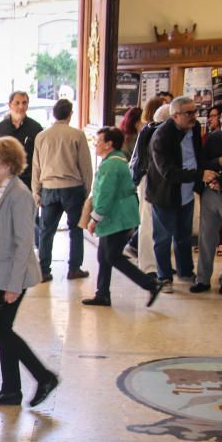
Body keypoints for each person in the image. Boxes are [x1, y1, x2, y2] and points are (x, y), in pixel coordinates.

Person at [0, 137, 59, 408]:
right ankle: (11, 389)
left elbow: (24, 243)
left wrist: (13, 286)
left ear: (9, 165)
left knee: (0, 328)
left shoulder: (19, 195)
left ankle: (44, 377)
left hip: (12, 277)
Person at [81, 127, 163, 307]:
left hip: (117, 219)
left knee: (112, 257)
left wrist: (94, 219)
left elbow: (105, 195)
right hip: (119, 217)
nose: (96, 143)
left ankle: (150, 284)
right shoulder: (116, 160)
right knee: (104, 256)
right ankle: (102, 294)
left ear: (109, 144)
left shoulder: (111, 165)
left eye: (99, 140)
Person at [30, 98, 94, 282]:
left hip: (49, 188)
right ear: (70, 114)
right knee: (75, 229)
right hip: (73, 188)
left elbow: (36, 166)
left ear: (53, 114)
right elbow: (85, 167)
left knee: (46, 231)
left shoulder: (42, 136)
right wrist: (86, 190)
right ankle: (74, 268)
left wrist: (36, 191)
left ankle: (43, 270)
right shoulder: (77, 135)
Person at [146, 95, 203, 293]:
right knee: (163, 238)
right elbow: (168, 172)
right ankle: (164, 277)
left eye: (195, 112)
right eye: (189, 113)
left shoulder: (195, 129)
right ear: (175, 115)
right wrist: (199, 175)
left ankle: (186, 271)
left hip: (186, 193)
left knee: (184, 236)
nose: (194, 116)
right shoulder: (161, 136)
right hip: (165, 194)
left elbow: (197, 154)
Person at [192, 100, 222, 294]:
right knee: (206, 237)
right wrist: (217, 163)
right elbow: (202, 162)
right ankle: (202, 279)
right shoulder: (213, 138)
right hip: (210, 192)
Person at [128, 98, 169, 276]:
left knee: (155, 223)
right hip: (148, 180)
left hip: (152, 180)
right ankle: (148, 265)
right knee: (148, 222)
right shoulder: (151, 131)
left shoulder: (148, 130)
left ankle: (157, 263)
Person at [0, 91, 42, 191]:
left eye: (24, 103)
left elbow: (41, 157)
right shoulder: (0, 128)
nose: (21, 106)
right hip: (3, 181)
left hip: (28, 182)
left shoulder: (36, 128)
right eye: (17, 103)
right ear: (10, 105)